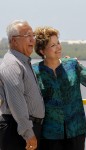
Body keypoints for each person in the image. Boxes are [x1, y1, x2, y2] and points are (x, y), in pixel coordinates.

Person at [0, 20, 45, 150]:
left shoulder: (23, 62)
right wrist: (28, 133)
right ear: (14, 41)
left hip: (25, 128)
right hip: (17, 130)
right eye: (28, 36)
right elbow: (16, 101)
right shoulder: (12, 65)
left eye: (33, 35)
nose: (33, 39)